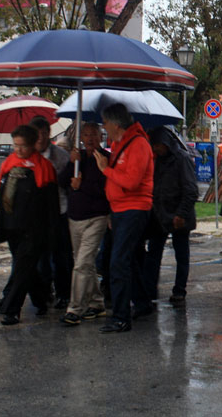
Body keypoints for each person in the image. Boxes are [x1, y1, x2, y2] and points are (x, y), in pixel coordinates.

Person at [93, 103, 154, 333]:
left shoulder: (138, 144)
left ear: (115, 124)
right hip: (120, 209)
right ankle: (142, 303)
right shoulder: (120, 143)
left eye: (105, 123)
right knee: (130, 258)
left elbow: (131, 181)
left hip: (134, 208)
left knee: (119, 261)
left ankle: (121, 317)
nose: (103, 127)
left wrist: (105, 169)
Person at [0, 124, 59, 325]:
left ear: (32, 145)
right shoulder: (9, 163)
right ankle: (41, 299)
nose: (18, 149)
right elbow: (2, 197)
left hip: (34, 228)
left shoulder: (44, 168)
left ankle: (11, 309)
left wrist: (52, 231)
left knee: (23, 268)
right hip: (12, 226)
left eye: (22, 145)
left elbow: (52, 204)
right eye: (15, 145)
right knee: (27, 268)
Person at [57, 122, 110, 325]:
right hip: (75, 217)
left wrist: (81, 186)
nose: (90, 139)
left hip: (96, 217)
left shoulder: (105, 159)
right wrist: (72, 164)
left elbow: (106, 188)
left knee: (82, 263)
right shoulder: (77, 158)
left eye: (94, 135)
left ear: (101, 137)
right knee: (84, 263)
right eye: (86, 135)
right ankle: (96, 302)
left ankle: (75, 308)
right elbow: (62, 182)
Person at [144, 127, 198, 305]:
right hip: (159, 214)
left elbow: (191, 190)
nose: (155, 149)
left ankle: (179, 291)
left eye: (157, 145)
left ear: (165, 143)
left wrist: (181, 213)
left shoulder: (182, 158)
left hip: (178, 216)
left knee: (181, 255)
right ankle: (150, 290)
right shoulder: (157, 159)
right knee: (153, 254)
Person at [31, 116, 72, 310]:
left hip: (59, 210)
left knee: (61, 255)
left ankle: (64, 293)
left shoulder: (60, 156)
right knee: (40, 258)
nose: (40, 138)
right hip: (36, 214)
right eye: (37, 134)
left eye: (44, 133)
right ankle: (44, 292)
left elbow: (67, 184)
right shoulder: (27, 155)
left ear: (49, 134)